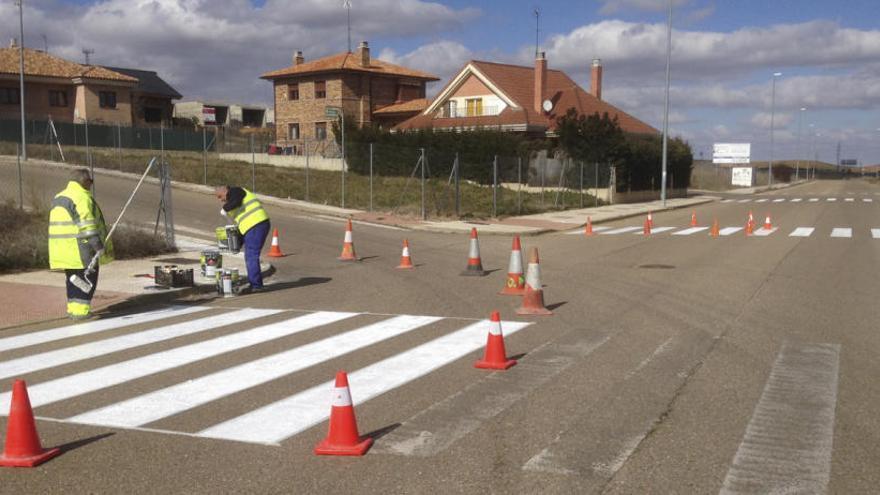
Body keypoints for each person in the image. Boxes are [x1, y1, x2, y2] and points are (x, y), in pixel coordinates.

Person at [48, 169, 113, 319]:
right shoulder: (81, 197)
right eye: (90, 181)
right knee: (86, 279)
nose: (91, 184)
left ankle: (72, 309)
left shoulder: (59, 197)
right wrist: (98, 246)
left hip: (62, 249)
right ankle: (80, 313)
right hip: (80, 248)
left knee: (73, 279)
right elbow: (87, 225)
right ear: (84, 181)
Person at [215, 185, 270, 292]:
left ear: (225, 190)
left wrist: (225, 208)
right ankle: (255, 284)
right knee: (250, 255)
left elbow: (236, 201)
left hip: (256, 224)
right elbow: (241, 223)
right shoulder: (233, 198)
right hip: (253, 226)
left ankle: (256, 286)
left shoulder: (236, 191)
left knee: (251, 255)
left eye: (220, 196)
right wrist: (238, 243)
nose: (221, 200)